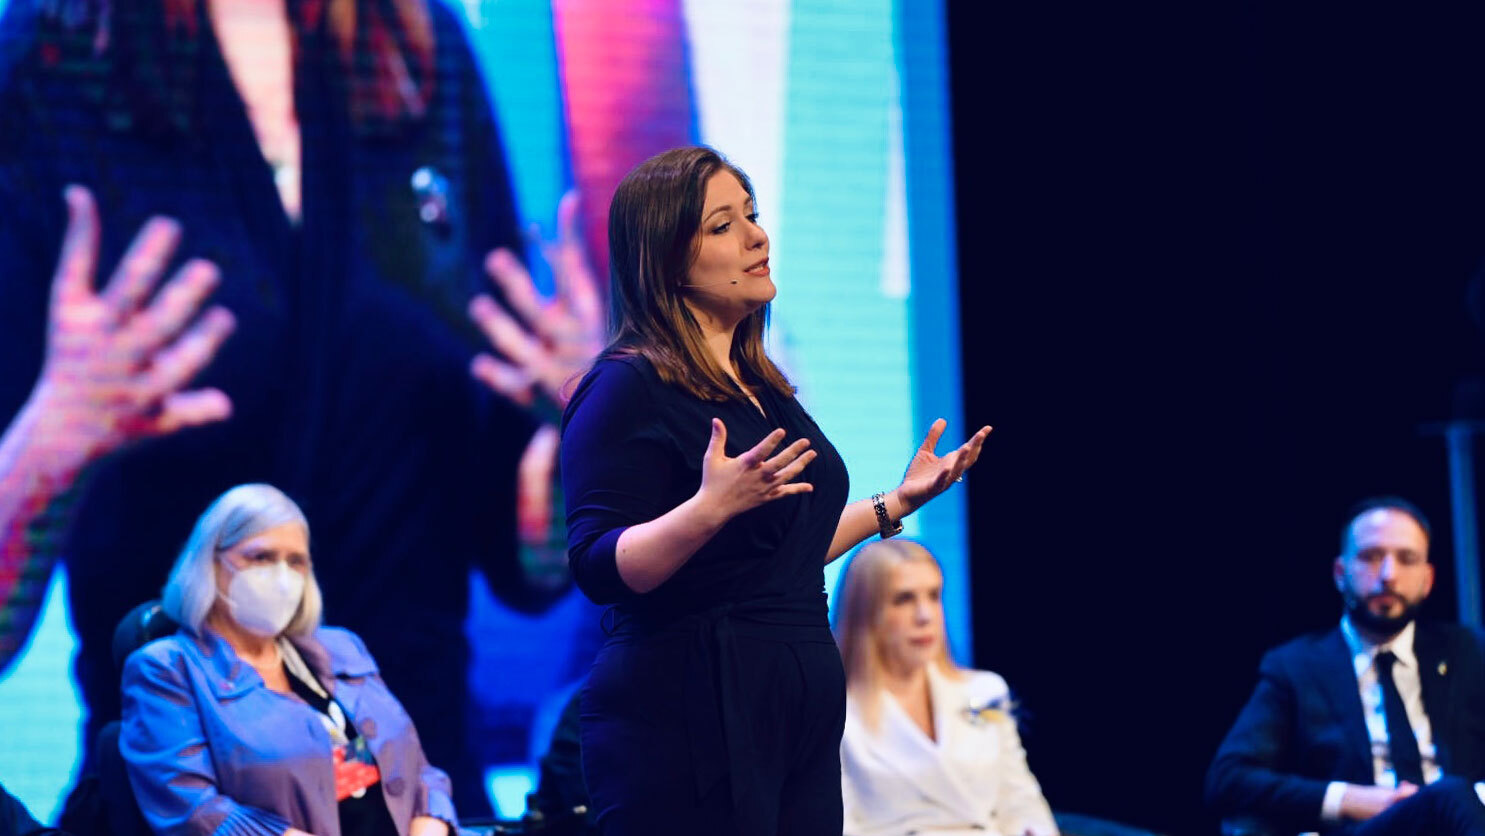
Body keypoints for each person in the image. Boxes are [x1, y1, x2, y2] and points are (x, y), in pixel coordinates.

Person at [0, 0, 603, 811]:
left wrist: (582, 425)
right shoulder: (56, 52)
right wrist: (50, 445)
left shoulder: (416, 51)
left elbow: (526, 563)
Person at [560, 145, 993, 835]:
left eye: (753, 216)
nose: (757, 236)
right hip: (688, 716)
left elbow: (781, 553)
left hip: (794, 711)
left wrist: (896, 505)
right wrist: (705, 510)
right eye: (723, 224)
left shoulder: (761, 388)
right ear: (666, 258)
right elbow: (598, 564)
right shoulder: (625, 387)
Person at [121, 483, 459, 836]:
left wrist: (429, 826)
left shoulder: (341, 648)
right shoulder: (167, 668)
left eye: (295, 561)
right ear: (210, 563)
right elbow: (194, 810)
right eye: (261, 557)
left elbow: (418, 771)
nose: (282, 578)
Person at [1206, 497, 1485, 836]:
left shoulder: (1466, 652)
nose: (1388, 576)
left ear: (1427, 579)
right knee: (1448, 795)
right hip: (1363, 829)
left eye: (1406, 559)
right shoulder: (1297, 667)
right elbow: (1229, 777)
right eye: (1370, 557)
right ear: (1340, 573)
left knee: (1452, 797)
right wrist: (1351, 799)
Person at [834, 539, 1057, 836]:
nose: (925, 616)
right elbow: (843, 826)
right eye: (903, 599)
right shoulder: (837, 716)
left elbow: (1020, 798)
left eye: (934, 596)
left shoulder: (985, 691)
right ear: (864, 613)